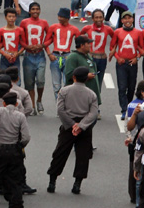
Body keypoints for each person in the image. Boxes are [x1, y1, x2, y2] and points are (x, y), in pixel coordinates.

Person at [46, 65, 99, 194]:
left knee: (60, 153)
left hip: (67, 126)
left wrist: (71, 125)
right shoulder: (91, 94)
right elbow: (93, 113)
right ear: (86, 79)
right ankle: (77, 184)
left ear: (73, 77)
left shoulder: (64, 91)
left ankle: (52, 182)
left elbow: (60, 110)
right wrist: (81, 126)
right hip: (85, 128)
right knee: (82, 156)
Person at [0, 91, 30, 208]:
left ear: (3, 103)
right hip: (14, 148)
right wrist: (20, 145)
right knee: (15, 180)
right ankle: (16, 204)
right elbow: (26, 137)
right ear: (17, 104)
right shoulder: (20, 116)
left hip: (0, 148)